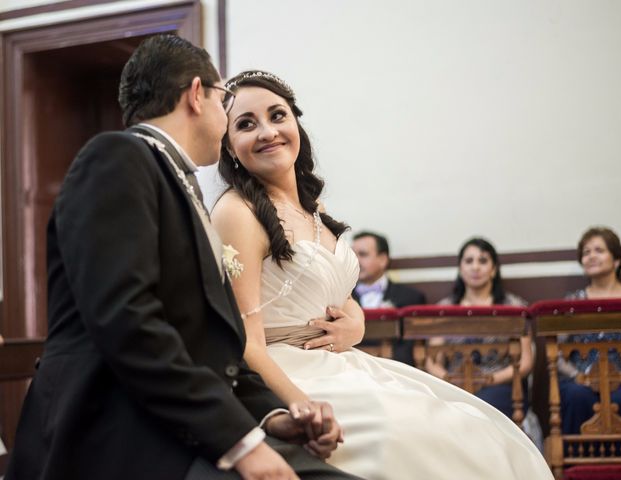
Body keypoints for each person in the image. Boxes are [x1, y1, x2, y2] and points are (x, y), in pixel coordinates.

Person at [6, 35, 358, 480]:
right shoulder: (116, 157)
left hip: (184, 426)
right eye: (224, 100)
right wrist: (241, 443)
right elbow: (128, 323)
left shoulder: (179, 182)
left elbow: (213, 348)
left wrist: (275, 418)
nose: (224, 113)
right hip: (117, 433)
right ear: (197, 95)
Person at [211, 69, 553, 480]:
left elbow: (321, 291)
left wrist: (356, 322)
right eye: (246, 124)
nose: (267, 131)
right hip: (286, 372)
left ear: (296, 124)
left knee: (472, 424)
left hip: (341, 363)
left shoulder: (312, 207)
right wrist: (298, 405)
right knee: (408, 435)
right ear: (229, 147)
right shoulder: (238, 212)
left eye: (277, 115)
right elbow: (245, 340)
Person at [427, 237, 534, 421]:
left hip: (500, 384)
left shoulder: (513, 307)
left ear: (493, 269)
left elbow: (525, 363)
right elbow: (431, 361)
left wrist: (488, 380)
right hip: (454, 384)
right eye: (469, 261)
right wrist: (451, 380)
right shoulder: (445, 308)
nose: (475, 267)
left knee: (479, 405)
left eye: (483, 261)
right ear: (460, 269)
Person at [559, 227, 621, 435]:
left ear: (616, 260)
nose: (591, 256)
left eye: (599, 250)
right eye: (586, 252)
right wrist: (579, 376)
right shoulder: (572, 301)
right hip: (581, 381)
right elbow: (557, 353)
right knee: (576, 397)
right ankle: (574, 466)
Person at [351, 231, 426, 365]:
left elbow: (410, 347)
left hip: (395, 370)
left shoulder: (411, 298)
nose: (355, 260)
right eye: (352, 255)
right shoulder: (342, 297)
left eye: (363, 254)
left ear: (383, 260)